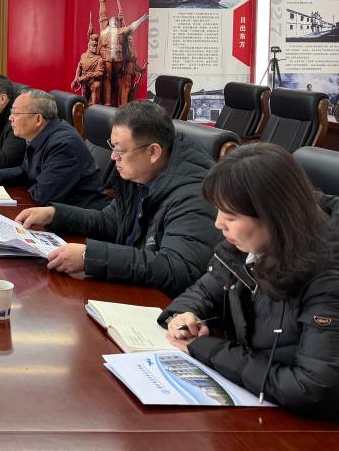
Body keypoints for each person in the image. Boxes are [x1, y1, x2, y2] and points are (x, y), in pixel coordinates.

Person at [159, 144, 339, 419]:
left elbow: (311, 388)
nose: (218, 224)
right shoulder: (246, 247)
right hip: (258, 402)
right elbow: (204, 291)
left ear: (274, 216)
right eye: (218, 211)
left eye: (230, 217)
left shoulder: (327, 278)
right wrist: (183, 316)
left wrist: (206, 348)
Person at [17, 101, 219, 296]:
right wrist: (55, 214)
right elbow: (109, 221)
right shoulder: (141, 174)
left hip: (162, 304)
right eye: (112, 147)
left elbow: (176, 269)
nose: (113, 157)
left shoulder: (194, 194)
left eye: (120, 150)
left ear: (153, 152)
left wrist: (90, 257)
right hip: (133, 285)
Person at [0, 89, 106, 209]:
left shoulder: (63, 145)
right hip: (50, 212)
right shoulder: (40, 134)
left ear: (38, 119)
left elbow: (43, 196)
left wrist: (27, 187)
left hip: (78, 219)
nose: (10, 118)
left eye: (16, 113)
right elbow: (26, 170)